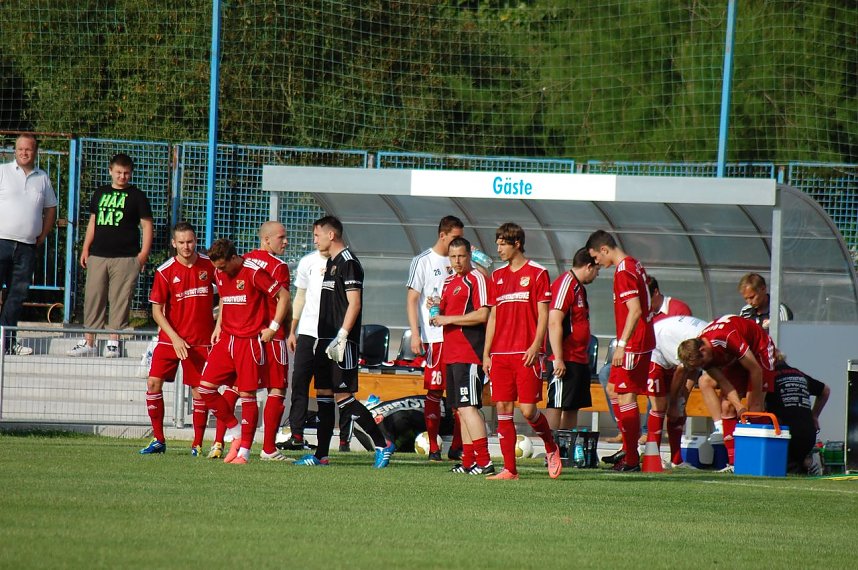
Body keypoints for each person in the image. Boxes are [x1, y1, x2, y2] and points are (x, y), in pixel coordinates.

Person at [294, 216, 394, 467]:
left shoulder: (349, 263)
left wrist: (342, 335)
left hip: (341, 342)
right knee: (324, 397)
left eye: (317, 235)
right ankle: (321, 454)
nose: (314, 240)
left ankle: (382, 443)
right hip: (324, 340)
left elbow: (355, 303)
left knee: (343, 397)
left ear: (331, 235)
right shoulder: (330, 263)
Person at [482, 222, 562, 480]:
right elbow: (493, 317)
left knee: (528, 410)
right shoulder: (496, 276)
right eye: (497, 243)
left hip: (526, 354)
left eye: (502, 243)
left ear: (516, 244)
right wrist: (487, 353)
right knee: (503, 409)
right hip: (500, 354)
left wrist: (536, 345)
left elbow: (543, 314)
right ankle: (509, 469)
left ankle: (550, 446)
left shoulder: (538, 273)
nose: (498, 248)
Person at [201, 238, 290, 464]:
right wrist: (219, 325)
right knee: (205, 389)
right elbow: (224, 299)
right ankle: (235, 430)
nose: (218, 271)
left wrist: (274, 327)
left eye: (222, 266)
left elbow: (284, 296)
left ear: (233, 258)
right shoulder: (220, 272)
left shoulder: (253, 272)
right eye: (216, 267)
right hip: (226, 339)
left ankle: (245, 453)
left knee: (247, 395)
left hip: (248, 342)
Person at [139, 222, 215, 456]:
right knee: (153, 383)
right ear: (173, 243)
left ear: (196, 240)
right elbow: (157, 312)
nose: (186, 246)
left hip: (201, 340)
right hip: (170, 339)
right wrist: (175, 338)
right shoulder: (165, 271)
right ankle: (159, 439)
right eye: (181, 242)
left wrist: (219, 324)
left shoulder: (209, 265)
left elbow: (227, 293)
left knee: (199, 391)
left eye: (190, 241)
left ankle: (197, 444)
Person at [68, 153, 153, 358]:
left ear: (131, 174)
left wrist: (143, 254)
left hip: (126, 257)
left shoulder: (137, 196)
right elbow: (93, 222)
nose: (122, 176)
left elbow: (147, 225)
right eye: (118, 172)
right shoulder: (100, 192)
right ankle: (90, 341)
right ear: (110, 171)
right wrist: (86, 248)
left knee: (120, 298)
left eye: (126, 173)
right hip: (98, 254)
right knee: (93, 296)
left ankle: (113, 341)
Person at [586, 229, 655, 472]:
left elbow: (635, 310)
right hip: (637, 341)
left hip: (634, 343)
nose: (596, 262)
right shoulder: (634, 264)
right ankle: (628, 448)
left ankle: (632, 458)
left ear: (604, 250)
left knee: (626, 396)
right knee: (613, 388)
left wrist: (622, 345)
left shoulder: (623, 270)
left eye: (596, 257)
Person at [677, 314, 776, 471]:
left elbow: (755, 369)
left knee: (754, 407)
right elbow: (724, 383)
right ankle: (733, 463)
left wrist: (751, 402)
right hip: (735, 358)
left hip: (758, 349)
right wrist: (739, 407)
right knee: (727, 407)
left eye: (702, 363)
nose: (703, 366)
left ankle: (758, 461)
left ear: (703, 350)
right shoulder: (703, 355)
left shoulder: (726, 337)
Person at [430, 237, 493, 475]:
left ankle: (485, 461)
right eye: (453, 256)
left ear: (469, 256)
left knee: (469, 407)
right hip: (451, 353)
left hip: (470, 352)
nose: (457, 261)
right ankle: (468, 462)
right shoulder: (448, 281)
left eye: (461, 256)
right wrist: (435, 308)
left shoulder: (476, 278)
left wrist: (448, 319)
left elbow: (483, 314)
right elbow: (445, 311)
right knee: (460, 409)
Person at [405, 215, 464, 461]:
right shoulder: (423, 261)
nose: (458, 242)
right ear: (443, 235)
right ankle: (433, 447)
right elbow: (411, 299)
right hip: (435, 338)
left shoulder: (462, 262)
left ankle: (458, 447)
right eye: (454, 237)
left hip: (459, 336)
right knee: (435, 391)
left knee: (461, 395)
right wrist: (416, 335)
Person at [0, 134, 58, 355]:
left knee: (17, 294)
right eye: (21, 149)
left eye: (29, 149)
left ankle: (7, 342)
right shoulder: (3, 172)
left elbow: (50, 208)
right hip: (1, 242)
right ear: (14, 150)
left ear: (36, 152)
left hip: (26, 247)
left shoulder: (42, 178)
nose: (24, 153)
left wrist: (42, 234)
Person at [243, 221, 294, 461]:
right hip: (273, 336)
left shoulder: (244, 261)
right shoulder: (279, 266)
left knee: (242, 388)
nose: (285, 241)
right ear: (266, 240)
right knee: (277, 388)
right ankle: (268, 448)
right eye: (281, 237)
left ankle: (233, 443)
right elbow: (285, 302)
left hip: (246, 335)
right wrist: (282, 329)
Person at [546, 247, 599, 431]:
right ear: (589, 266)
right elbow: (554, 321)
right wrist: (558, 358)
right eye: (597, 270)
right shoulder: (565, 284)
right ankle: (551, 450)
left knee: (572, 406)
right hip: (565, 358)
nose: (597, 275)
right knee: (557, 403)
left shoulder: (579, 288)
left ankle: (565, 448)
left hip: (578, 358)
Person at [282, 248, 329, 451]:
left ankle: (336, 440)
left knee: (327, 389)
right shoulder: (307, 262)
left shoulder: (343, 262)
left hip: (329, 335)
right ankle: (297, 434)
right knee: (299, 382)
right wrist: (293, 330)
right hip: (307, 334)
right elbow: (299, 297)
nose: (315, 240)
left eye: (318, 235)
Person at [649, 315, 709, 468]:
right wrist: (674, 404)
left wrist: (682, 401)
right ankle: (652, 457)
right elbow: (682, 371)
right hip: (655, 349)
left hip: (672, 349)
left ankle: (676, 460)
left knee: (679, 406)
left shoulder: (705, 346)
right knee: (660, 405)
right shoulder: (697, 347)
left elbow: (694, 370)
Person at [766, 358, 829, 474]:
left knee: (784, 470)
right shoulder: (799, 374)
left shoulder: (768, 376)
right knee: (797, 466)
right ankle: (808, 463)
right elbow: (825, 390)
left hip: (785, 434)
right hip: (809, 433)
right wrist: (814, 416)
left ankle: (808, 463)